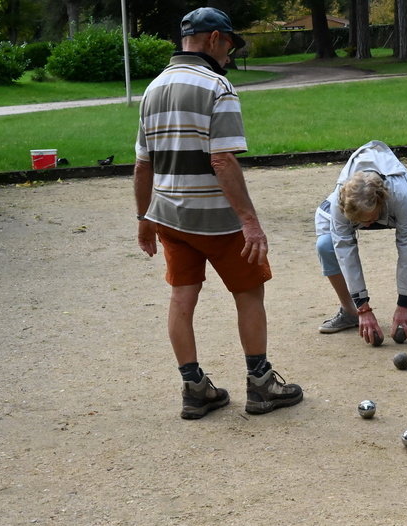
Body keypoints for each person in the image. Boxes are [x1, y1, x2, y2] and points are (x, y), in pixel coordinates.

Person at [133, 7, 302, 419]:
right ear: (213, 39)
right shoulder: (217, 86)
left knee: (181, 297)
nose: (229, 55)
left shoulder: (153, 88)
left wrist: (143, 219)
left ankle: (194, 389)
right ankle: (261, 385)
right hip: (217, 219)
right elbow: (223, 159)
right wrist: (250, 221)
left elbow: (142, 165)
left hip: (170, 216)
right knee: (249, 293)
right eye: (229, 45)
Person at [315, 140, 407, 346]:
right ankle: (350, 311)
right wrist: (363, 308)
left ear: (381, 201)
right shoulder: (340, 202)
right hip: (359, 208)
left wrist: (403, 302)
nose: (367, 225)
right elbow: (344, 249)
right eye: (360, 221)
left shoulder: (398, 194)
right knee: (325, 245)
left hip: (396, 207)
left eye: (369, 218)